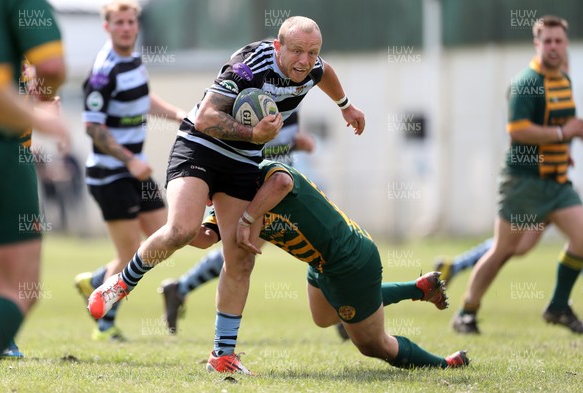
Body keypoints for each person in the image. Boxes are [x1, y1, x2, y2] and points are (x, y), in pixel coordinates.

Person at [87, 15, 365, 372]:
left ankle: (222, 356)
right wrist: (254, 136)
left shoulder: (311, 65)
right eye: (296, 51)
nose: (304, 60)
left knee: (240, 256)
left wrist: (346, 106)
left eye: (312, 52)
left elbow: (324, 72)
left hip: (243, 163)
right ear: (278, 47)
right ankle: (118, 286)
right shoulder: (249, 66)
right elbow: (203, 118)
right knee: (182, 229)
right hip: (200, 147)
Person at [90, 159, 468, 373]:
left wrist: (249, 217)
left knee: (374, 346)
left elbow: (284, 181)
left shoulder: (260, 171)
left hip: (351, 261)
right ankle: (418, 288)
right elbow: (204, 238)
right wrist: (173, 229)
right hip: (321, 264)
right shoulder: (226, 198)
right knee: (324, 318)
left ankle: (445, 365)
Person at [452, 15, 583, 335]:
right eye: (548, 41)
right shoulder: (526, 82)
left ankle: (557, 306)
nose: (554, 47)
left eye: (559, 41)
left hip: (556, 183)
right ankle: (466, 312)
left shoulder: (564, 80)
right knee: (505, 249)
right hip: (523, 183)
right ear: (537, 44)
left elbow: (558, 126)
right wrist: (561, 133)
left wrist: (568, 142)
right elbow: (518, 130)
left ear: (566, 44)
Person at [72, 0, 186, 341]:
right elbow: (92, 127)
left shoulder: (134, 61)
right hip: (110, 175)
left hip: (134, 173)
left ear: (137, 25)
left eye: (130, 21)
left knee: (168, 235)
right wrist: (130, 160)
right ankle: (104, 325)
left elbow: (144, 99)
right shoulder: (103, 71)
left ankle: (96, 282)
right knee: (128, 254)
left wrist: (179, 115)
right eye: (118, 22)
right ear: (107, 27)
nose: (126, 27)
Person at [158, 111, 317, 335]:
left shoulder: (291, 100)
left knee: (236, 249)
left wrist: (296, 143)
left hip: (272, 191)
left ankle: (180, 287)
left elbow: (275, 147)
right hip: (248, 190)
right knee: (225, 245)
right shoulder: (252, 99)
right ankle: (345, 314)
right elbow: (242, 143)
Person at [0, 0, 67, 368]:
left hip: (16, 153)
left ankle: (7, 340)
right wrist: (44, 108)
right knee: (17, 280)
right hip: (1, 153)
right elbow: (52, 66)